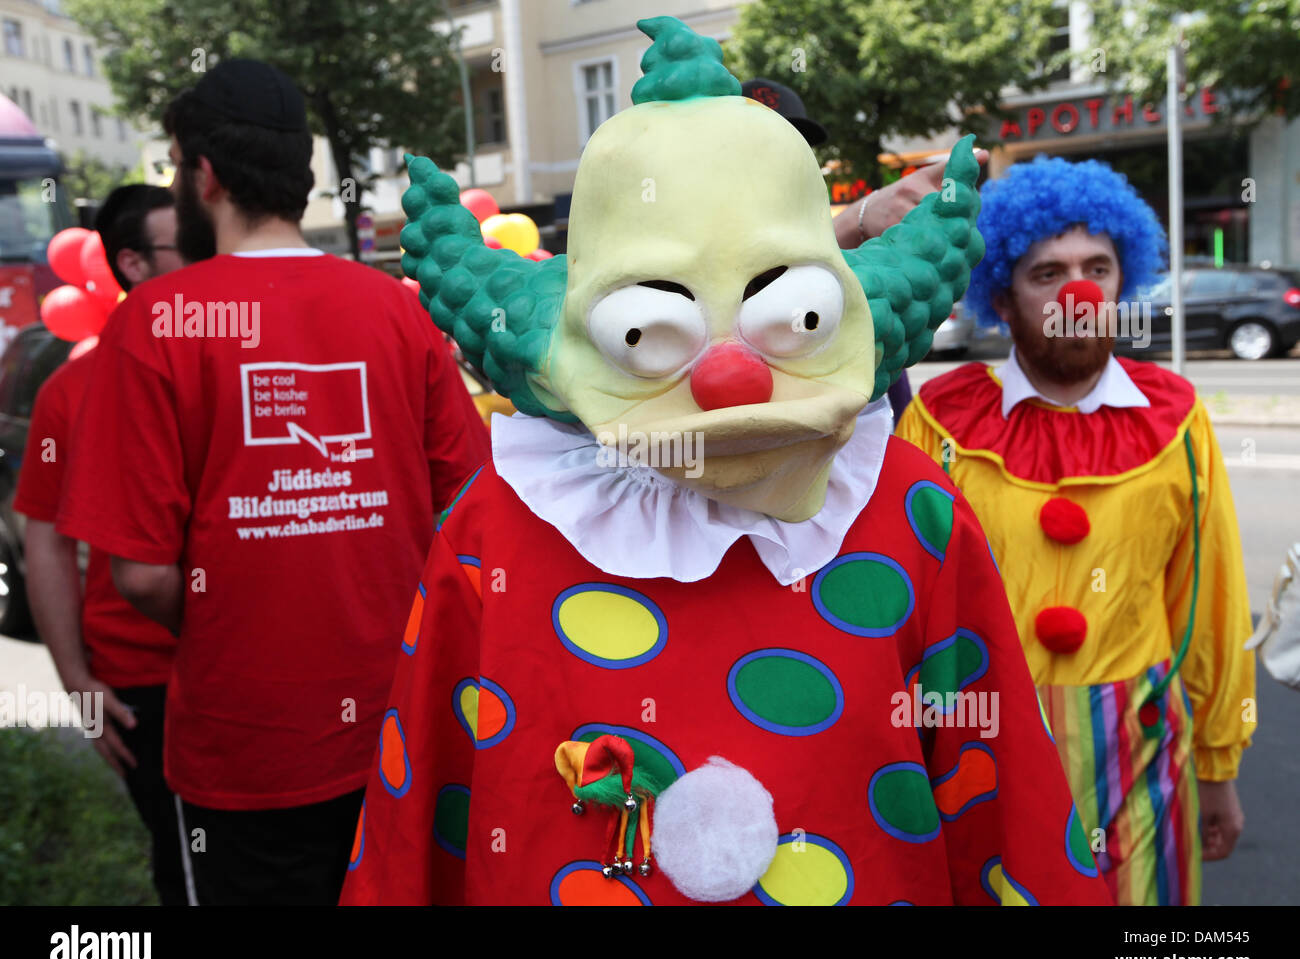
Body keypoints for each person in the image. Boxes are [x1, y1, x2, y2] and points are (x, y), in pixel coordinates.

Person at [340, 17, 1111, 907]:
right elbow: (427, 798)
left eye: (785, 315)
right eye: (648, 326)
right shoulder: (496, 526)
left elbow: (995, 782)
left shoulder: (908, 509)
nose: (727, 379)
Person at [56, 59, 490, 905]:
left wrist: (237, 610)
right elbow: (473, 505)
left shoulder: (154, 321)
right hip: (402, 728)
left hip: (245, 751)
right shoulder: (396, 307)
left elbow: (139, 573)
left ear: (204, 175)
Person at [896, 155, 1256, 905]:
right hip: (988, 745)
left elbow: (1209, 600)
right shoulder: (941, 418)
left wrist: (1218, 766)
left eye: (1098, 266)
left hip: (1141, 751)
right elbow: (911, 611)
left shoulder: (1176, 416)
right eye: (1047, 273)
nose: (1078, 294)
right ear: (1003, 292)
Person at [16, 184, 187, 904]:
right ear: (132, 263)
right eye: (188, 246)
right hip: (140, 686)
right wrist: (80, 690)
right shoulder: (73, 387)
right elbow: (46, 544)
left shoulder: (242, 361)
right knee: (182, 867)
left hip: (251, 673)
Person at [740, 78, 989, 425]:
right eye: (752, 148)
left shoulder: (866, 308)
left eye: (795, 149)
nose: (779, 169)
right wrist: (855, 219)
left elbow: (892, 435)